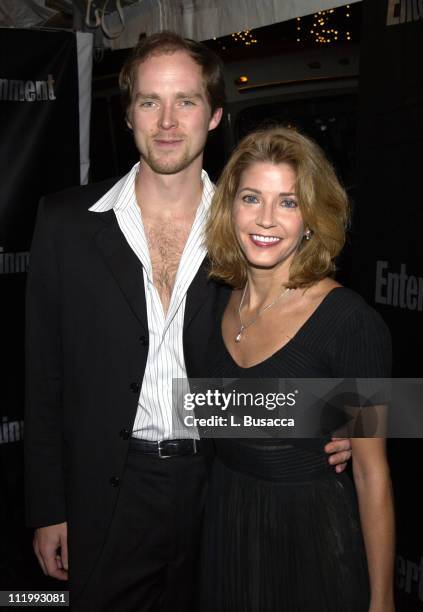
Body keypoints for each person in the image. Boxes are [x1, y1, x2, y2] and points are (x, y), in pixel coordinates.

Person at [25, 32, 352, 612]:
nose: (168, 121)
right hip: (106, 492)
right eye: (151, 101)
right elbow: (43, 375)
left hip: (222, 484)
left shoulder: (252, 229)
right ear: (128, 115)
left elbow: (316, 334)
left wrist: (352, 418)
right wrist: (48, 508)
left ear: (215, 114)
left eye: (187, 101)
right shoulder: (67, 223)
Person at [202, 126, 395, 612]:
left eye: (288, 202)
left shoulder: (351, 323)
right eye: (251, 198)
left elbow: (373, 473)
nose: (266, 219)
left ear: (311, 217)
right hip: (225, 535)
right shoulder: (209, 307)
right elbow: (219, 414)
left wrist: (382, 601)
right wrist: (306, 414)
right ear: (230, 208)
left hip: (312, 548)